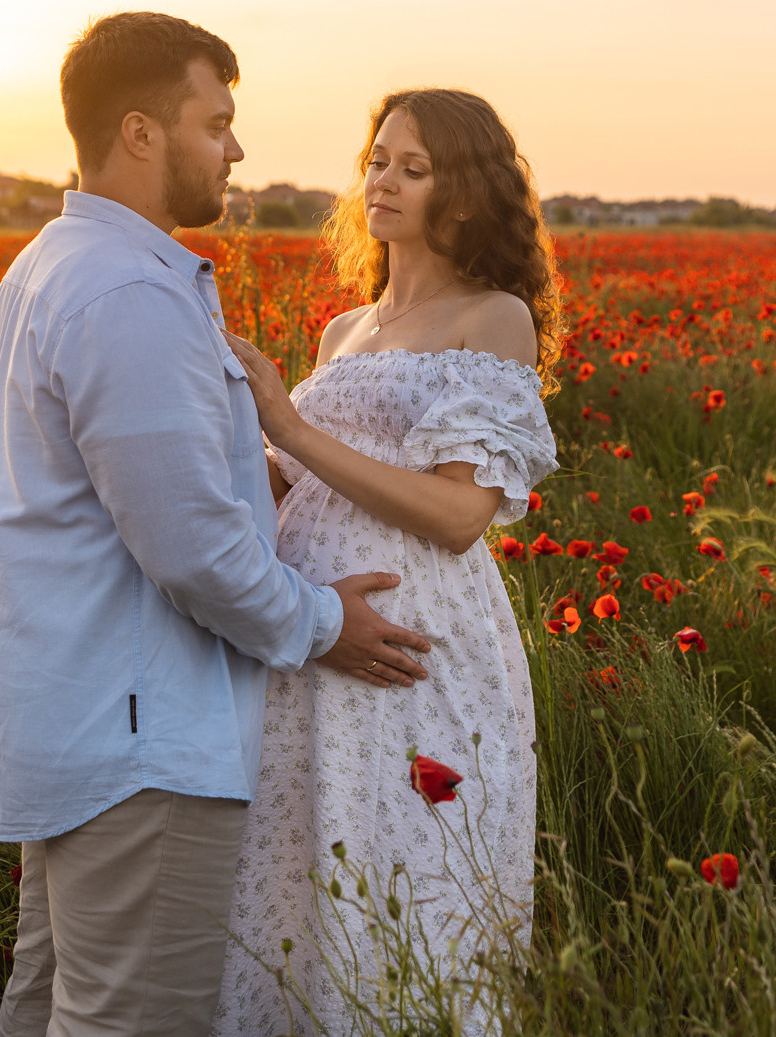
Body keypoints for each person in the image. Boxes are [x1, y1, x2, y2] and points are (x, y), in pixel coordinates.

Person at [0, 11, 434, 1037]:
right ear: (141, 133)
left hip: (75, 719)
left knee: (55, 1006)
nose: (234, 150)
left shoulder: (54, 264)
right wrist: (327, 622)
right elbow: (189, 546)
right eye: (215, 123)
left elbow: (133, 488)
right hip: (142, 735)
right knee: (128, 1021)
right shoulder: (126, 291)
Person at [211, 88, 561, 1035]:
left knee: (410, 882)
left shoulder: (492, 318)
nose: (385, 181)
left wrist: (286, 422)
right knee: (299, 887)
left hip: (417, 648)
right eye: (378, 159)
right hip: (311, 641)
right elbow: (307, 490)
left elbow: (458, 513)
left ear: (467, 190)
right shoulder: (345, 330)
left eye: (415, 166)